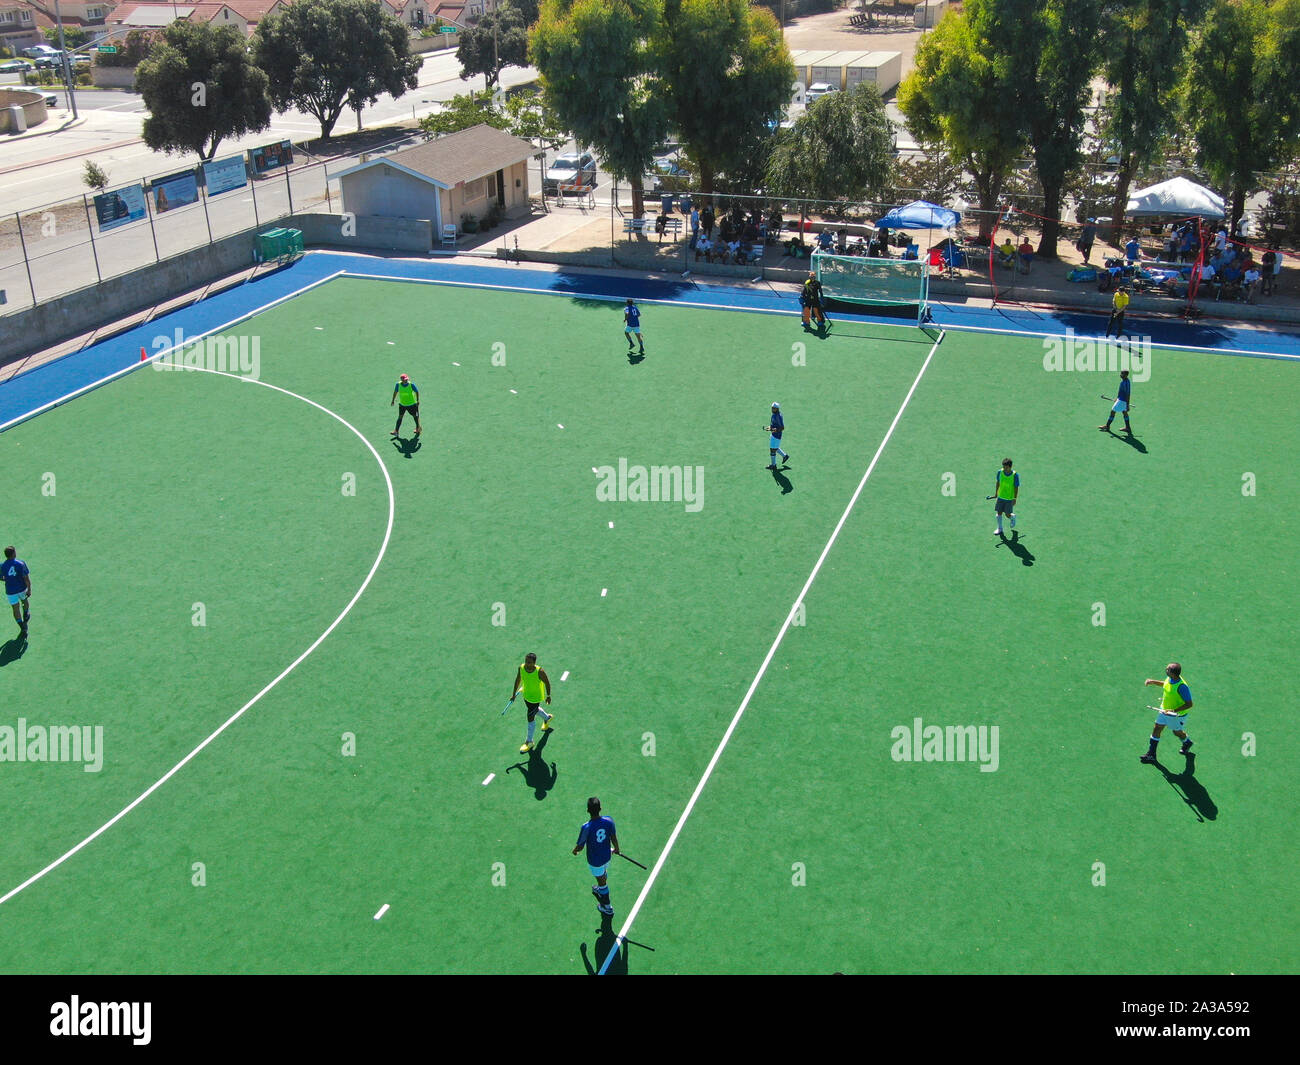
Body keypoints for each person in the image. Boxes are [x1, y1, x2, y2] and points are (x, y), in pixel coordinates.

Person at [573, 796, 619, 916]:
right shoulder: (609, 820)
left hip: (595, 860)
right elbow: (613, 836)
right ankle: (601, 888)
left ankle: (607, 906)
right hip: (607, 856)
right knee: (603, 874)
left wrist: (575, 851)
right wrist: (617, 849)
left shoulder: (586, 827)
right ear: (600, 808)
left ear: (588, 810)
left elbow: (580, 846)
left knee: (602, 881)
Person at [1140, 662, 1194, 764]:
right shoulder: (1170, 679)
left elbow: (1189, 704)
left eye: (1168, 669)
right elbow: (1166, 685)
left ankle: (1187, 742)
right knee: (1157, 727)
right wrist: (1153, 681)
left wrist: (1173, 711)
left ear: (1173, 673)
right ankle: (1151, 754)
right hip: (1164, 710)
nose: (1166, 670)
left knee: (1176, 732)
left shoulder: (1182, 687)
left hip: (1176, 715)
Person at [509, 652, 554, 754]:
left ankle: (529, 742)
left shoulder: (540, 671)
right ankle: (547, 718)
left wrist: (548, 696)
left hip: (536, 698)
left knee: (530, 716)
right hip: (527, 696)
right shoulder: (521, 668)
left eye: (529, 662)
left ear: (534, 663)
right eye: (526, 661)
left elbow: (547, 682)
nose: (527, 664)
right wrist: (514, 694)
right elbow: (518, 679)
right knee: (534, 711)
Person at [1, 546, 30, 640]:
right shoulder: (21, 563)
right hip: (21, 588)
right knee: (24, 601)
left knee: (15, 609)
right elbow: (26, 578)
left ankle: (22, 627)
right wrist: (29, 589)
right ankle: (26, 612)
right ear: (14, 554)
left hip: (10, 591)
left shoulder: (2, 566)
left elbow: (1, 578)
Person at [1098, 368, 1133, 435]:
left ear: (1126, 375)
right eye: (1121, 373)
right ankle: (1128, 427)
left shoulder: (1125, 383)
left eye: (1122, 373)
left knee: (1113, 411)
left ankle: (1107, 426)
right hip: (1121, 400)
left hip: (1122, 401)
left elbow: (1128, 394)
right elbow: (1121, 392)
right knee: (1124, 413)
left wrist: (1127, 405)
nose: (1120, 374)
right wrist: (1117, 398)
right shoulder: (1125, 381)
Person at [992, 458, 1018, 537]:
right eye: (1003, 467)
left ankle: (1012, 517)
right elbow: (998, 482)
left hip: (1009, 498)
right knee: (999, 512)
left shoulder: (1015, 475)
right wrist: (996, 493)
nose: (1004, 469)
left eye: (1006, 467)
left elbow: (1016, 487)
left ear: (1010, 467)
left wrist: (1014, 498)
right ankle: (1000, 529)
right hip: (1000, 497)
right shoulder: (1000, 472)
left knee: (1007, 514)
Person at [765, 402, 789, 469]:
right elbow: (774, 425)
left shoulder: (778, 416)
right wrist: (770, 427)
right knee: (775, 447)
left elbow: (782, 428)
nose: (772, 409)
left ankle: (773, 465)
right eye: (772, 408)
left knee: (772, 449)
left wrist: (773, 429)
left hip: (776, 436)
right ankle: (785, 456)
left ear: (777, 409)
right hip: (774, 434)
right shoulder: (775, 414)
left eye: (774, 408)